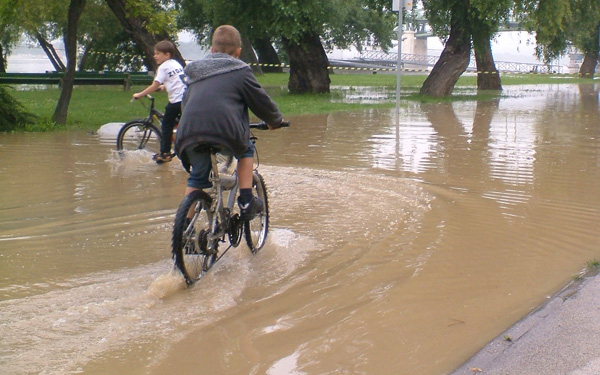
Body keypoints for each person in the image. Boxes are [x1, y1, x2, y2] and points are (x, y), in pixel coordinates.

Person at [175, 25, 284, 219]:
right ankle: (246, 199)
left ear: (212, 50)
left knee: (197, 178)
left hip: (189, 133)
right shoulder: (240, 70)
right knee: (246, 149)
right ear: (238, 52)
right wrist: (274, 120)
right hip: (224, 133)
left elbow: (186, 103)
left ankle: (184, 230)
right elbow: (261, 102)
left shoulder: (193, 72)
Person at [133, 40, 185, 164]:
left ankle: (165, 153)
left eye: (157, 53)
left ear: (167, 55)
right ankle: (182, 143)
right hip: (186, 98)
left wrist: (140, 94)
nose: (154, 56)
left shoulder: (163, 67)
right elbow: (175, 81)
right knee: (179, 123)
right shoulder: (175, 64)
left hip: (176, 101)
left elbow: (154, 85)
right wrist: (163, 87)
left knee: (166, 124)